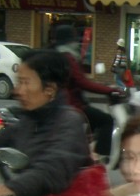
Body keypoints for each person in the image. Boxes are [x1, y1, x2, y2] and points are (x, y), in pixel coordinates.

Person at [0, 49, 91, 196]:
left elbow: (51, 168)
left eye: (25, 82)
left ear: (49, 89)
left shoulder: (69, 122)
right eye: (18, 82)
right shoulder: (27, 120)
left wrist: (12, 188)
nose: (18, 90)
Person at [52, 24, 122, 162]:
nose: (76, 43)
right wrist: (110, 90)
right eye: (74, 40)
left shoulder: (56, 56)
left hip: (63, 103)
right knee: (106, 120)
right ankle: (100, 155)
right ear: (69, 42)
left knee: (92, 124)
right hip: (72, 105)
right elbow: (82, 82)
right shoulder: (68, 58)